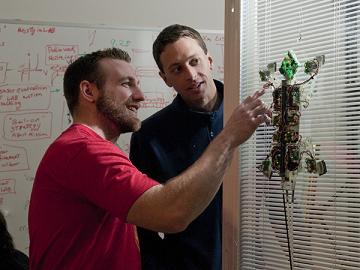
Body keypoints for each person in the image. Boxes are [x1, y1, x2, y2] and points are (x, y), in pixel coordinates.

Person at [28, 47, 270, 270]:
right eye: (127, 84)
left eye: (138, 84)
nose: (140, 95)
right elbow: (170, 212)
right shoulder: (83, 150)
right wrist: (228, 137)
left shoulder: (85, 149)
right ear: (89, 91)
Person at [129, 24, 226, 270]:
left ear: (209, 59)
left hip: (252, 258)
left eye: (195, 61)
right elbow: (146, 227)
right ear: (165, 79)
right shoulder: (149, 136)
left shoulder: (248, 116)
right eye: (177, 69)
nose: (191, 75)